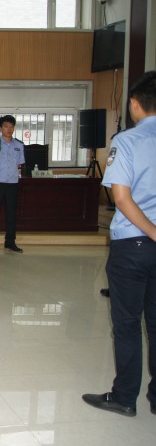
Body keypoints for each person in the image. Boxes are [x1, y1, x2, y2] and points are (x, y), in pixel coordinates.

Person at [83, 70, 156, 417]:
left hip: (133, 245)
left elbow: (122, 199)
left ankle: (125, 397)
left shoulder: (127, 141)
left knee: (127, 323)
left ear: (134, 104)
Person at [0, 115, 25, 253]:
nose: (9, 129)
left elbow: (19, 164)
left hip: (12, 183)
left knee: (11, 214)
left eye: (11, 126)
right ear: (0, 128)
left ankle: (10, 242)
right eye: (6, 126)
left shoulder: (19, 145)